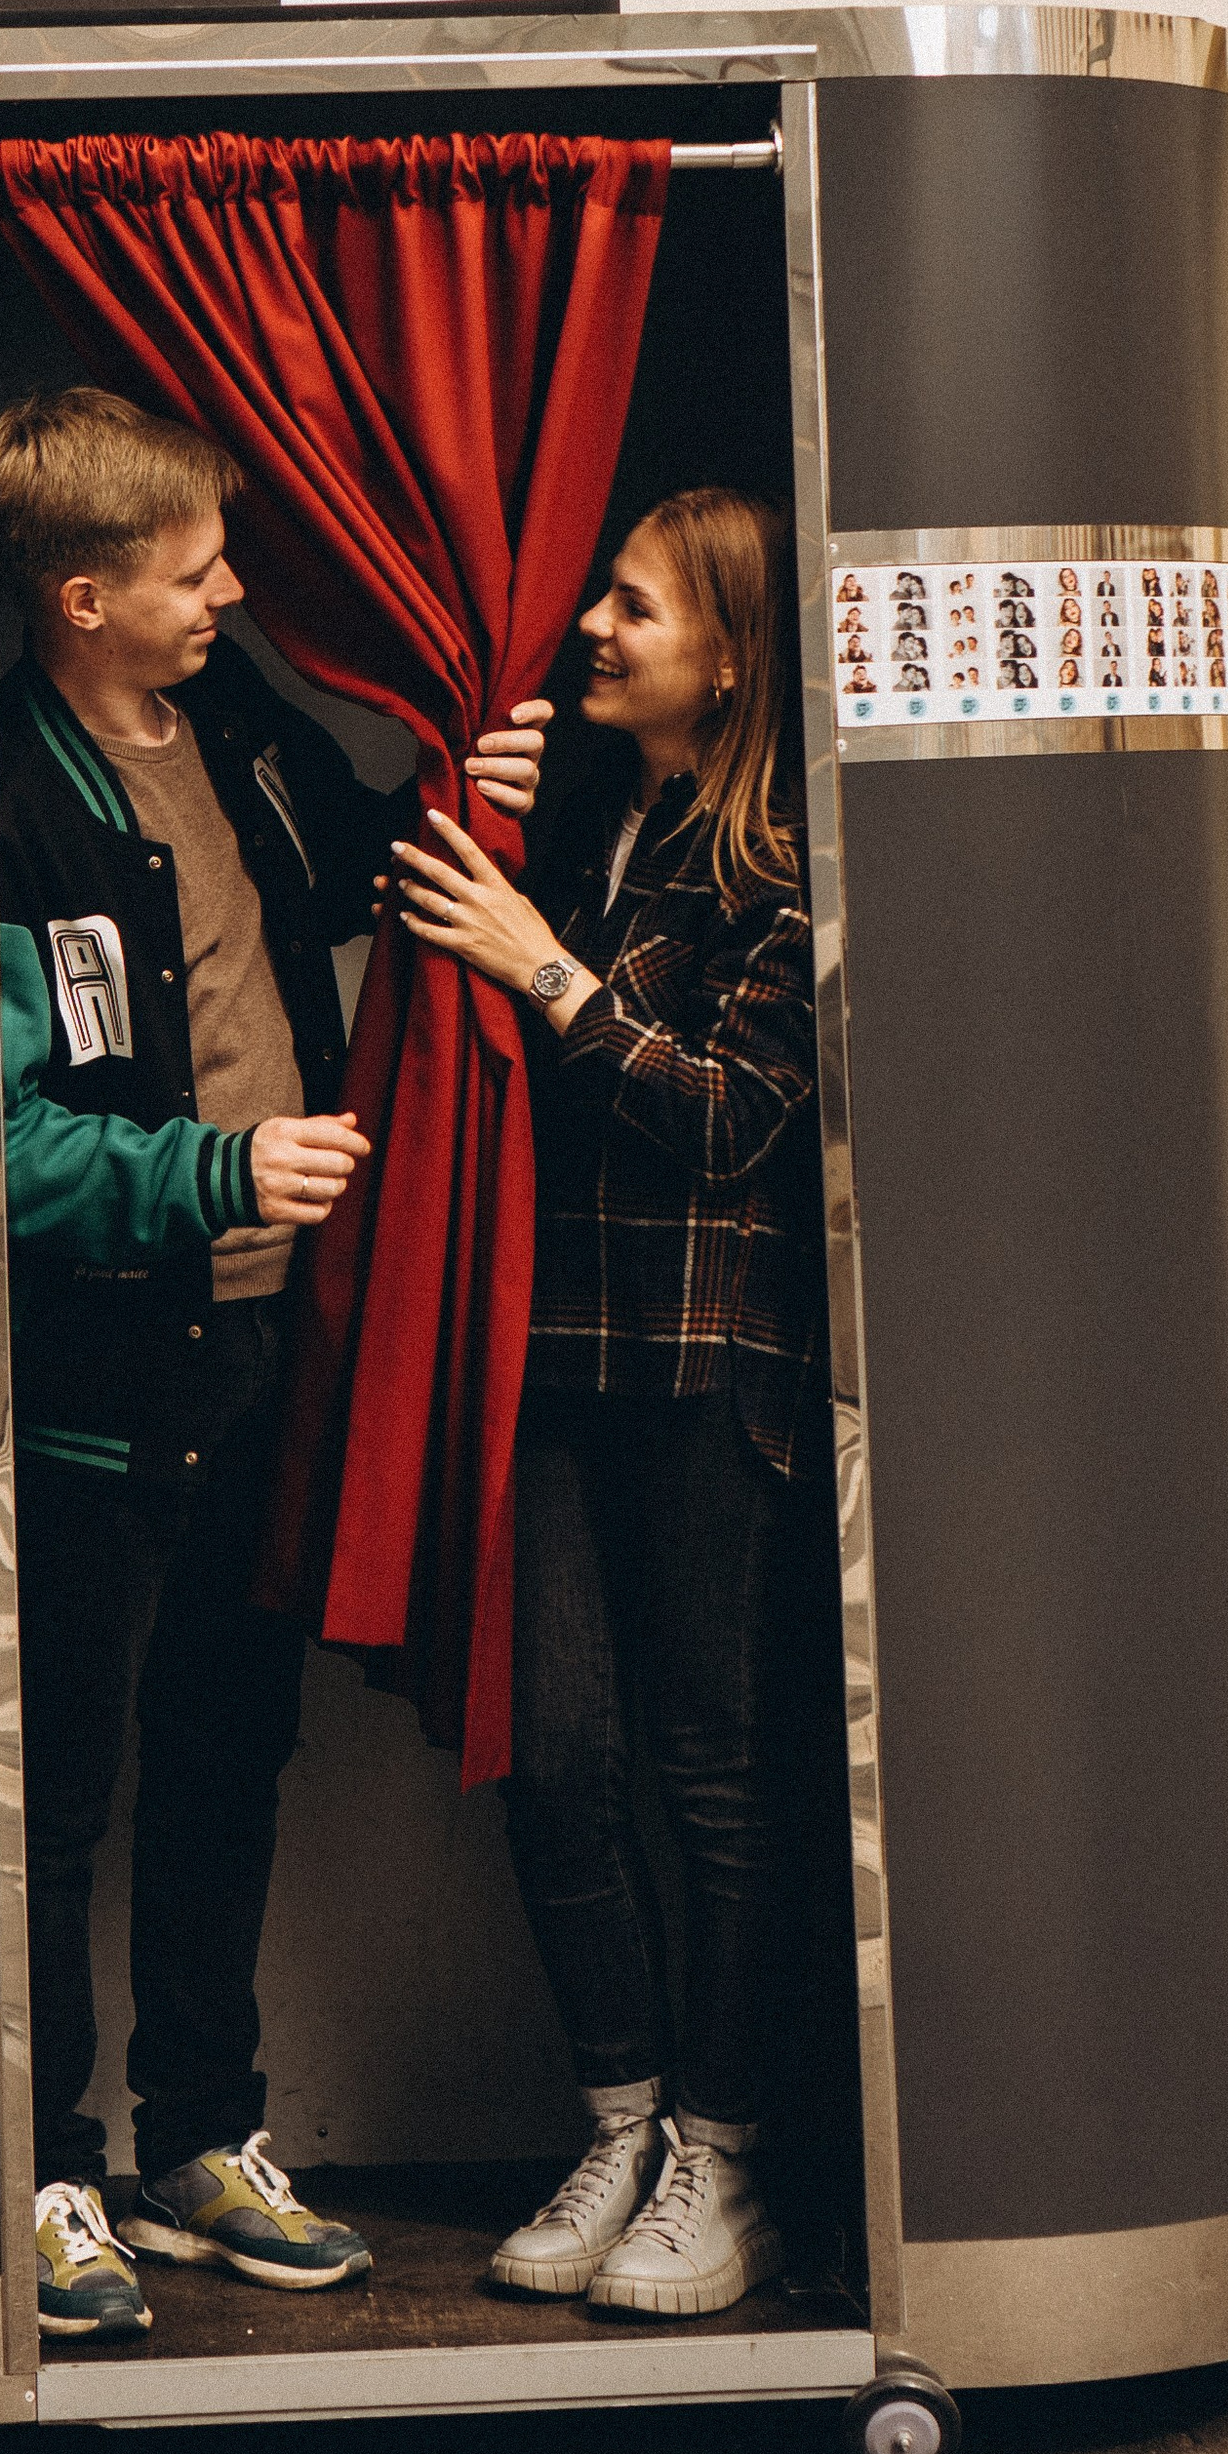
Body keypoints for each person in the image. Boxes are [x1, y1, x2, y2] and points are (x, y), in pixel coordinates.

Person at [0, 385, 549, 2339]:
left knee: (229, 1756)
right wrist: (210, 1166)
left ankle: (198, 2140)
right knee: (52, 1795)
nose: (233, 588)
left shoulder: (222, 721)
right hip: (87, 1379)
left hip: (255, 1355)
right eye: (190, 568)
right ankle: (42, 2173)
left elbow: (367, 869)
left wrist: (486, 778)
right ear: (77, 600)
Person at [389, 488, 825, 2321]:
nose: (590, 631)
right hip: (553, 1356)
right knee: (553, 1756)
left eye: (630, 611)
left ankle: (724, 2161)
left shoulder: (786, 862)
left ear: (727, 654)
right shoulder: (591, 817)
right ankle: (623, 2120)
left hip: (708, 1368)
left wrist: (547, 975)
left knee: (713, 1780)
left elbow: (740, 1116)